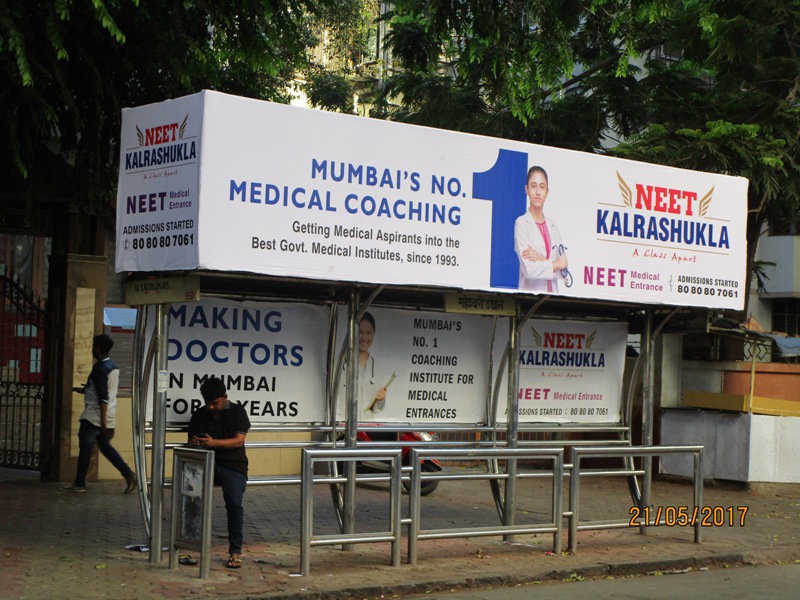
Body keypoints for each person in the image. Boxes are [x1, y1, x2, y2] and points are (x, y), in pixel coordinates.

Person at [61, 334, 137, 494]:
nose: (92, 349)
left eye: (94, 346)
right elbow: (104, 391)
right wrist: (85, 390)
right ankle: (129, 474)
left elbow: (103, 397)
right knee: (106, 448)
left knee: (85, 448)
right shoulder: (112, 366)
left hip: (94, 417)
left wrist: (102, 422)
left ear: (98, 348)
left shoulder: (100, 370)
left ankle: (80, 483)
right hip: (107, 415)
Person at [188, 376, 251, 569]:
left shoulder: (238, 411)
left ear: (225, 397)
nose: (211, 407)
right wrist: (196, 442)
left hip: (233, 465)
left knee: (234, 503)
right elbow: (190, 440)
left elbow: (238, 441)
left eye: (215, 403)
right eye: (207, 403)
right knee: (191, 499)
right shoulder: (199, 415)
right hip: (206, 464)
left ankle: (235, 551)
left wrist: (214, 443)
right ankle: (192, 547)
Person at [514, 166, 569, 292]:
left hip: (552, 299)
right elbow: (529, 270)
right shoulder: (521, 224)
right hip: (531, 299)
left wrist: (540, 259)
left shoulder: (553, 226)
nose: (538, 192)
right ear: (526, 189)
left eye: (542, 187)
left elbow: (564, 270)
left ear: (547, 192)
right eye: (533, 186)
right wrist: (555, 264)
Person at [336, 312, 393, 422]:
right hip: (343, 427)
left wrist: (381, 399)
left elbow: (376, 410)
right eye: (360, 332)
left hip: (367, 428)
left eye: (368, 333)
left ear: (374, 334)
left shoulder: (377, 367)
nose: (364, 337)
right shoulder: (339, 363)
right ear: (352, 333)